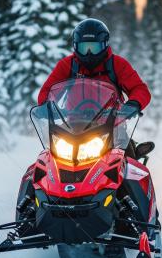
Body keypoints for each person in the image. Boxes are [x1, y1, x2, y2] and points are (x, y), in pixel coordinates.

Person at [37, 18, 151, 157]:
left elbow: (140, 89)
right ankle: (35, 179)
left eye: (94, 47)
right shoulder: (67, 65)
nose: (89, 53)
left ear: (104, 45)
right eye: (84, 48)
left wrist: (133, 104)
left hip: (111, 125)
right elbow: (48, 90)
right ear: (75, 46)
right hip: (72, 127)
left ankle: (134, 167)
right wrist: (46, 107)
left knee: (128, 160)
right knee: (48, 158)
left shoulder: (117, 64)